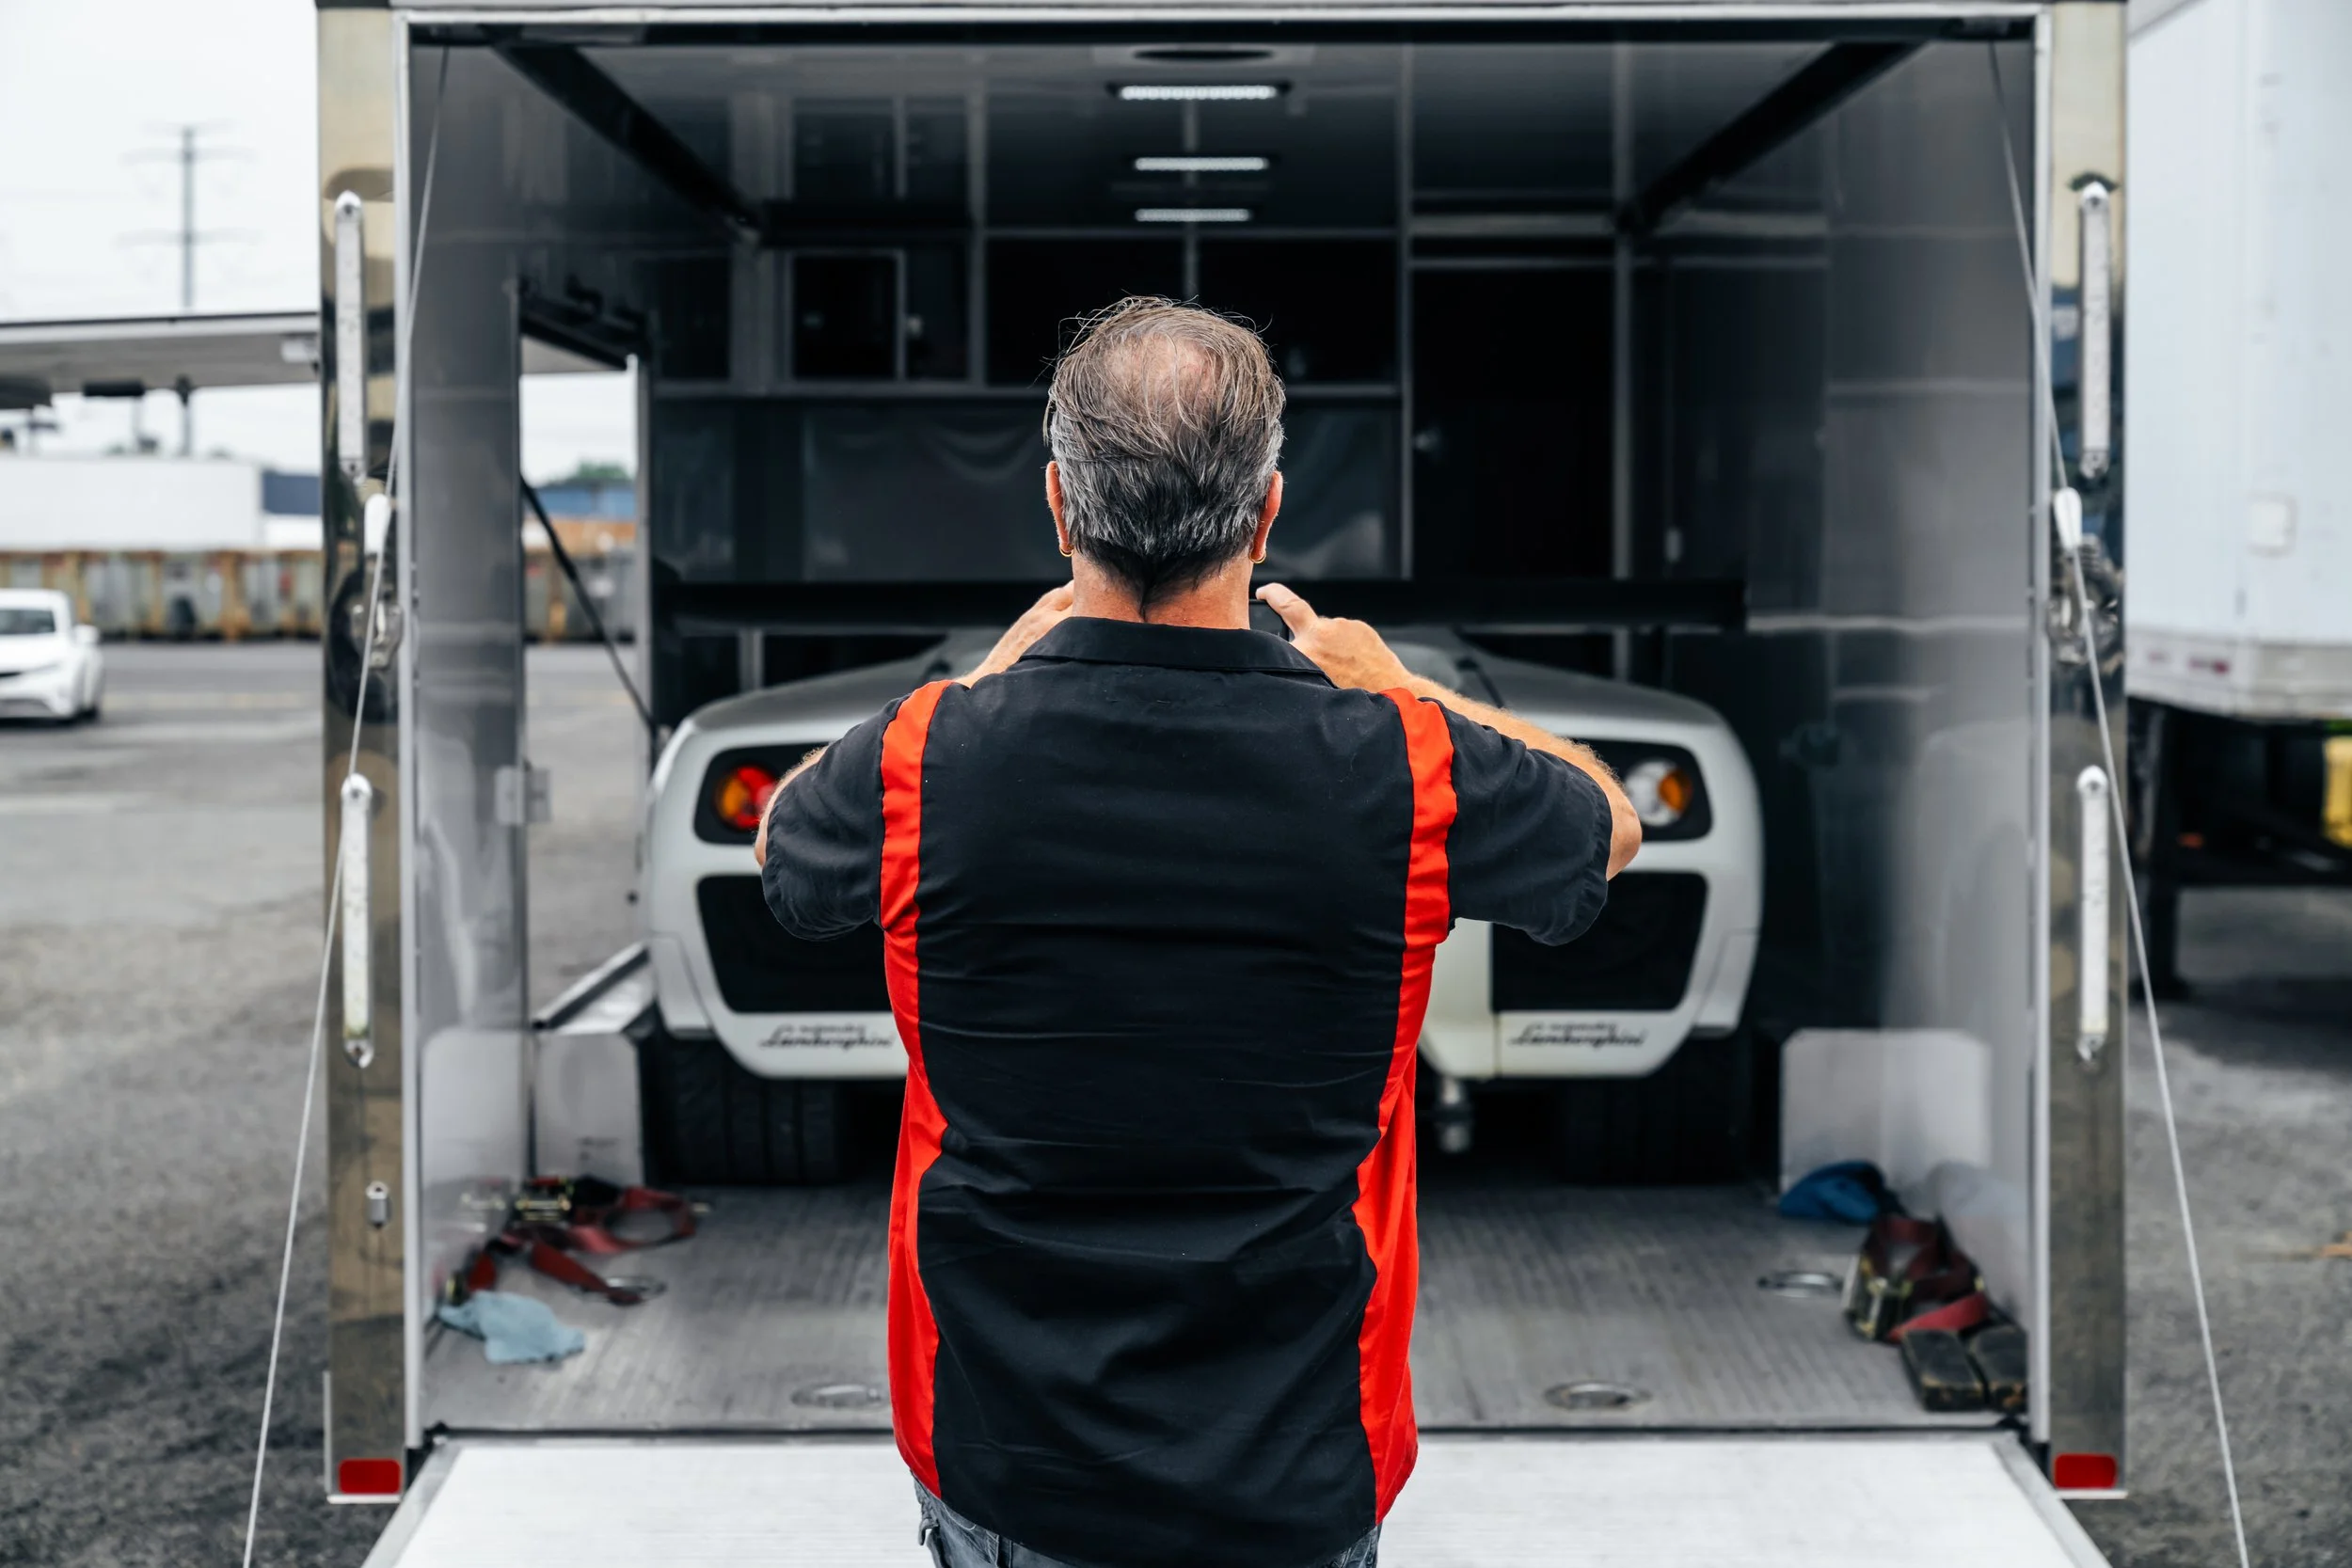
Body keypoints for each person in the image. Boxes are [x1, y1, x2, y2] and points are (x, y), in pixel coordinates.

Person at [755, 297, 1640, 1568]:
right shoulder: (1406, 763)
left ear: (1060, 506)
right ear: (1271, 511)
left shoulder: (926, 758)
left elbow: (782, 847)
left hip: (1011, 1469)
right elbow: (1609, 829)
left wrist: (983, 682)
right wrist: (1401, 685)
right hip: (1296, 1477)